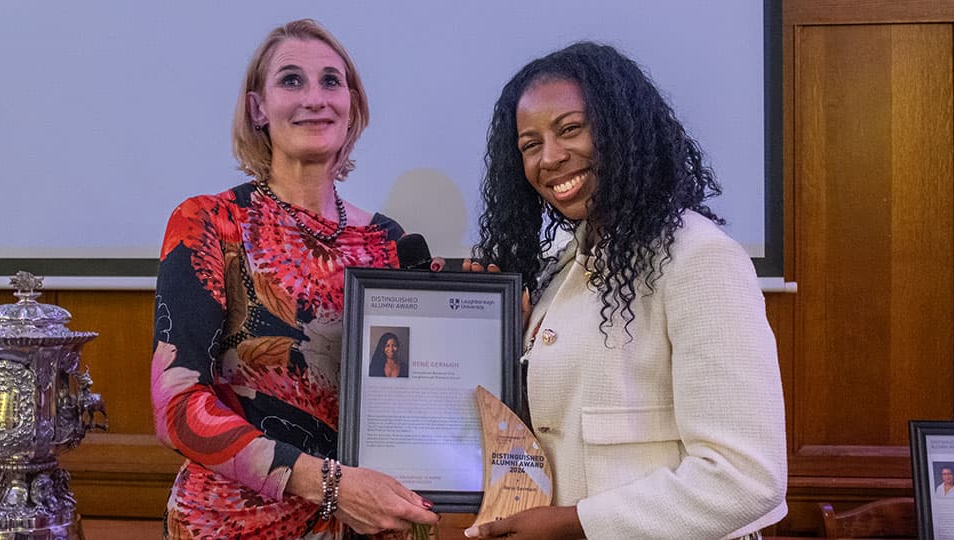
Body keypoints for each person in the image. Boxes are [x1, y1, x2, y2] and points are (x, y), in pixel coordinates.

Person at [463, 42, 787, 539]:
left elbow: (746, 478)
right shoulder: (561, 273)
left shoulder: (699, 258)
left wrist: (574, 524)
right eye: (530, 144)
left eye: (570, 129)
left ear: (622, 129)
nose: (550, 157)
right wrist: (499, 338)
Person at [150, 19, 437, 539]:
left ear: (352, 105)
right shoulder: (211, 223)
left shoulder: (389, 244)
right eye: (291, 80)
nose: (315, 98)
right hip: (227, 524)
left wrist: (499, 327)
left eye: (332, 81)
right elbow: (177, 404)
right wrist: (326, 483)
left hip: (359, 525)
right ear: (258, 108)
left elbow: (405, 394)